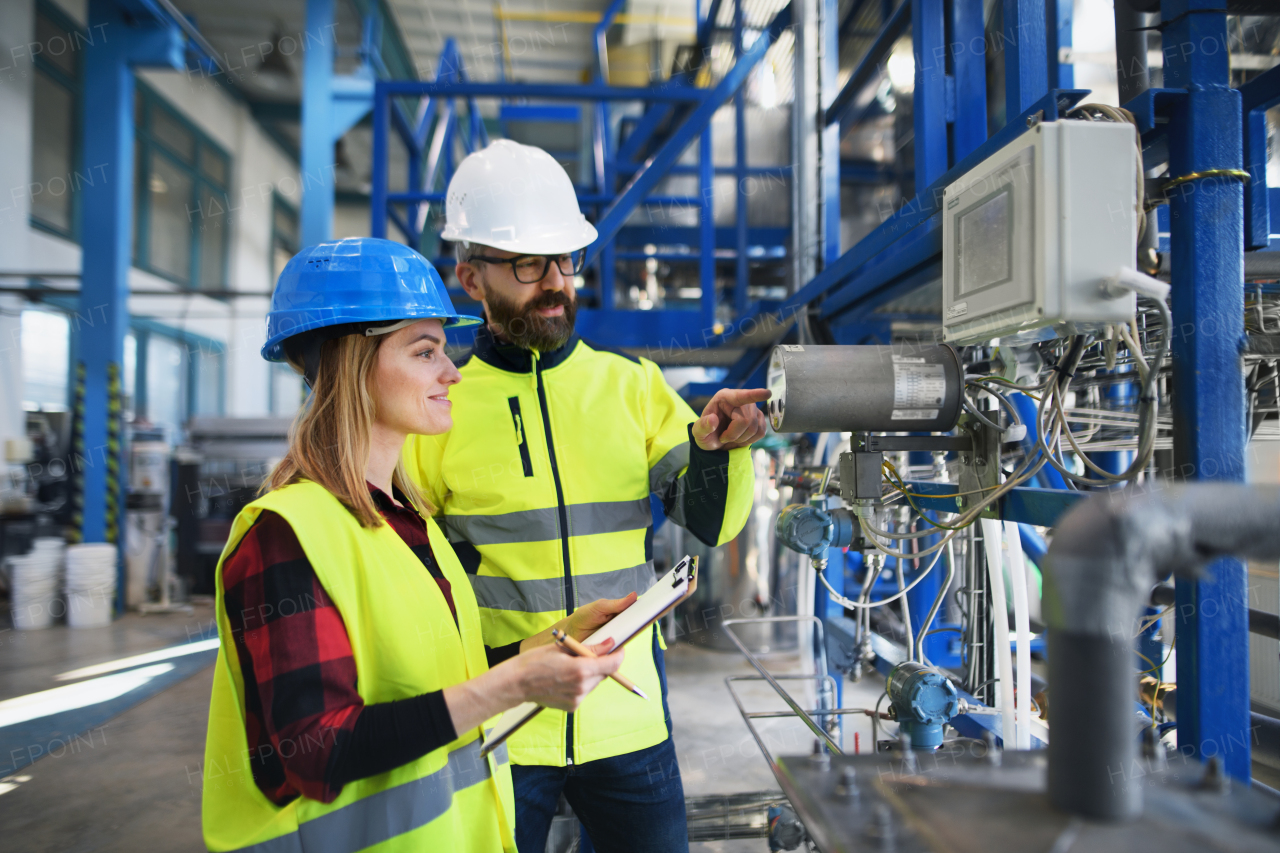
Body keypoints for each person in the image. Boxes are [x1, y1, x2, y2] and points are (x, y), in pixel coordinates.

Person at [202, 238, 637, 853]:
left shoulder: (408, 521)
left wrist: (551, 642)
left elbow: (436, 681)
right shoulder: (286, 537)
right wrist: (513, 688)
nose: (451, 372)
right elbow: (316, 751)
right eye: (425, 351)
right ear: (354, 362)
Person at [402, 140, 771, 853]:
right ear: (470, 277)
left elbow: (710, 524)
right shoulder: (441, 405)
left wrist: (715, 449)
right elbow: (418, 587)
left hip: (627, 716)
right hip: (507, 721)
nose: (555, 282)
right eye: (527, 263)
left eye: (565, 260)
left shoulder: (631, 386)